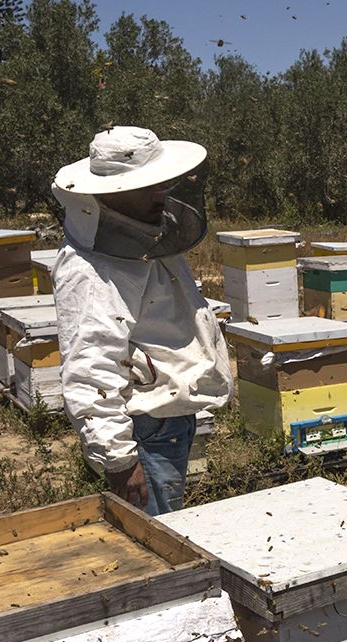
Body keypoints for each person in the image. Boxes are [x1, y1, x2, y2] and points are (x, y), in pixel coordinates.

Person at [50, 127, 232, 515]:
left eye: (161, 183)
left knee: (170, 528)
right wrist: (118, 458)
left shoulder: (143, 233)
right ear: (112, 192)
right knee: (159, 541)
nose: (160, 194)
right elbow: (90, 366)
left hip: (165, 416)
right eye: (147, 185)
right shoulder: (91, 269)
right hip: (142, 429)